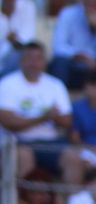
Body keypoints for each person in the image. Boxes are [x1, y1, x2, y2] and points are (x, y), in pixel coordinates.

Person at [0, 41, 72, 183]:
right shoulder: (7, 84)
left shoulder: (56, 85)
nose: (34, 63)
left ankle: (72, 198)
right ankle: (21, 198)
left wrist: (49, 117)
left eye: (38, 58)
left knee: (73, 158)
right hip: (18, 141)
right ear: (21, 61)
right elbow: (8, 122)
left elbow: (67, 121)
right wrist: (44, 117)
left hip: (51, 142)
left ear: (45, 62)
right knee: (24, 156)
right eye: (30, 58)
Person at [0, 0, 38, 80]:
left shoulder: (27, 6)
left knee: (18, 55)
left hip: (11, 59)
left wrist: (12, 39)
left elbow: (27, 41)